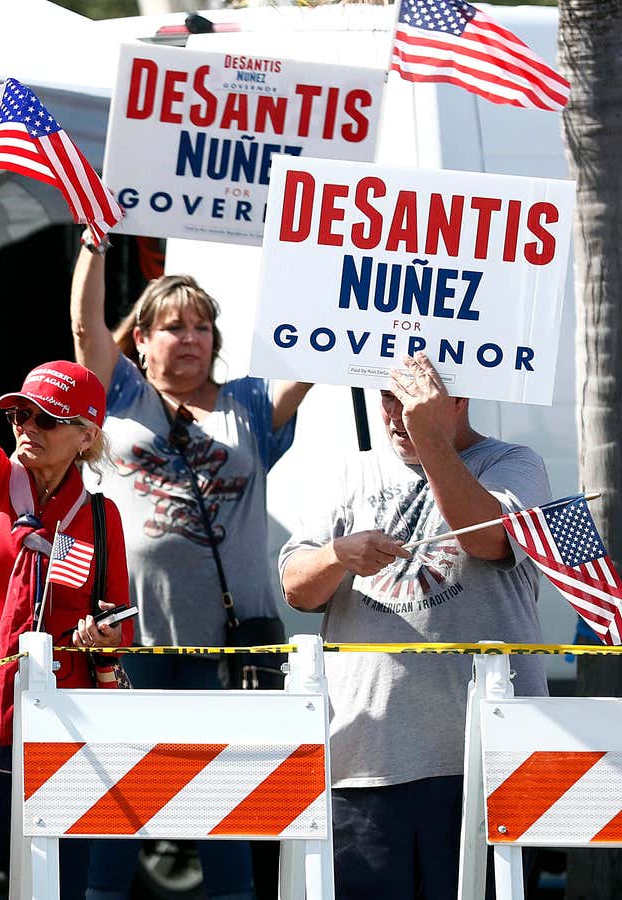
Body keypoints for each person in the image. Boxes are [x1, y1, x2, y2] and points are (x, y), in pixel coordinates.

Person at [70, 242, 313, 900]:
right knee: (116, 808)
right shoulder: (122, 395)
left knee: (224, 809)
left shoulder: (252, 406)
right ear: (142, 340)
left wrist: (329, 266)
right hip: (134, 642)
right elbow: (86, 330)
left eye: (202, 326)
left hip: (228, 646)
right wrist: (94, 245)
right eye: (175, 326)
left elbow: (314, 355)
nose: (191, 338)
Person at [279, 353, 550, 900]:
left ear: (460, 400)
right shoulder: (349, 472)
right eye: (387, 399)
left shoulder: (515, 463)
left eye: (413, 402)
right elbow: (296, 588)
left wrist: (431, 441)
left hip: (485, 762)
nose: (396, 415)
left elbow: (488, 539)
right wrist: (337, 555)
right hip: (366, 760)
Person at [0, 237, 132, 900]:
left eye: (48, 419)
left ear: (86, 436)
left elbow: (120, 623)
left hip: (63, 722)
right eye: (20, 412)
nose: (27, 426)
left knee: (58, 889)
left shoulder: (101, 516)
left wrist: (105, 638)